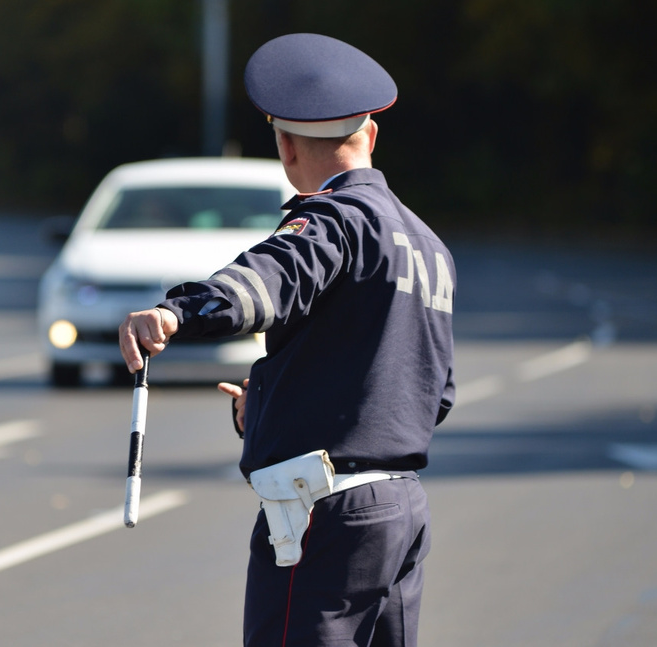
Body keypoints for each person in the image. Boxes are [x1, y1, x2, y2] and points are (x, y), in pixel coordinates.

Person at [118, 33, 455, 647]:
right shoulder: (429, 245)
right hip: (400, 508)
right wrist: (274, 404)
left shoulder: (333, 220)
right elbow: (429, 390)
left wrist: (175, 314)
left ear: (286, 145)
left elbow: (263, 285)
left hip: (325, 517)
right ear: (370, 135)